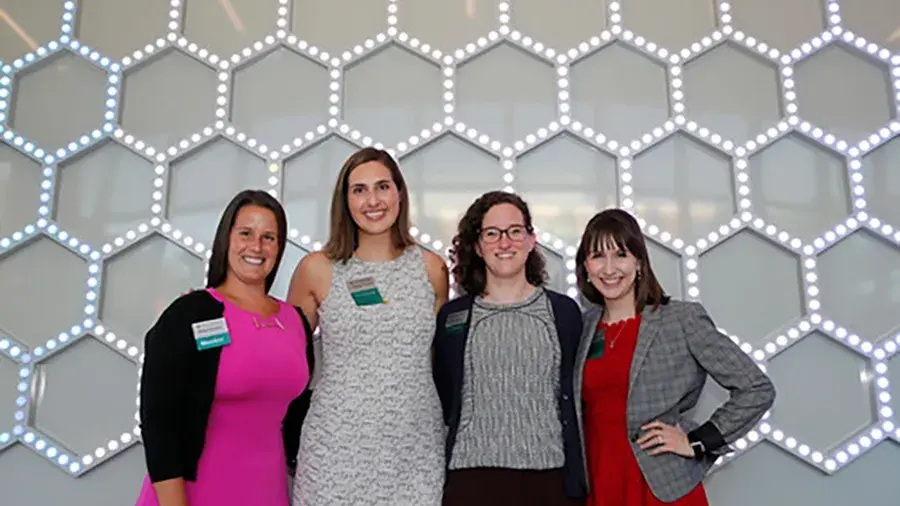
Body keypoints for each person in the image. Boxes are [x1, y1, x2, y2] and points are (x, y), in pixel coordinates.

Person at [574, 208, 776, 505]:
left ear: (639, 262)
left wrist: (696, 441)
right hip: (599, 482)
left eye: (620, 254)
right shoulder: (581, 327)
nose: (609, 268)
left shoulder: (680, 319)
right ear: (586, 268)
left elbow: (756, 388)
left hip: (661, 487)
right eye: (597, 256)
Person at [287, 147, 449, 505]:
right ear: (344, 201)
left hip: (415, 454)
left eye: (382, 187)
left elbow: (440, 361)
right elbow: (288, 360)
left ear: (399, 193)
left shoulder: (432, 269)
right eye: (359, 190)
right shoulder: (317, 269)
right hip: (334, 453)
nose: (372, 200)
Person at [135, 189, 315, 506]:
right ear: (226, 239)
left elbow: (300, 416)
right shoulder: (190, 313)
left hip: (267, 493)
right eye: (246, 233)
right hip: (195, 493)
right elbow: (159, 420)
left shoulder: (295, 321)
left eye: (269, 237)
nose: (256, 246)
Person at [432, 190, 588, 506]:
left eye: (515, 231)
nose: (505, 243)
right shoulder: (452, 318)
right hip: (472, 479)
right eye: (492, 233)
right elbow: (446, 393)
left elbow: (575, 392)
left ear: (531, 240)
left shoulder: (564, 313)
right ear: (477, 246)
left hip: (550, 480)